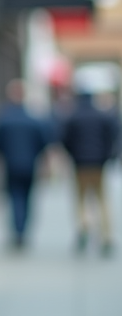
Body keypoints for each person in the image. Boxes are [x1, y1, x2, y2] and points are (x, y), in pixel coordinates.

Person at [0, 79, 54, 248]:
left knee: (14, 196)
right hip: (29, 164)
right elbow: (43, 141)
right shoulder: (32, 118)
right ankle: (23, 229)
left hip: (10, 164)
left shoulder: (3, 118)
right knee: (27, 197)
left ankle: (18, 230)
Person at [60, 88, 120, 253]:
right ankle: (106, 236)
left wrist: (73, 155)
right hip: (99, 164)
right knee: (102, 199)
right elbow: (113, 136)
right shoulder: (103, 116)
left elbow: (65, 139)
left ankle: (84, 226)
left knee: (81, 199)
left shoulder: (73, 117)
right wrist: (108, 156)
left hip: (80, 164)